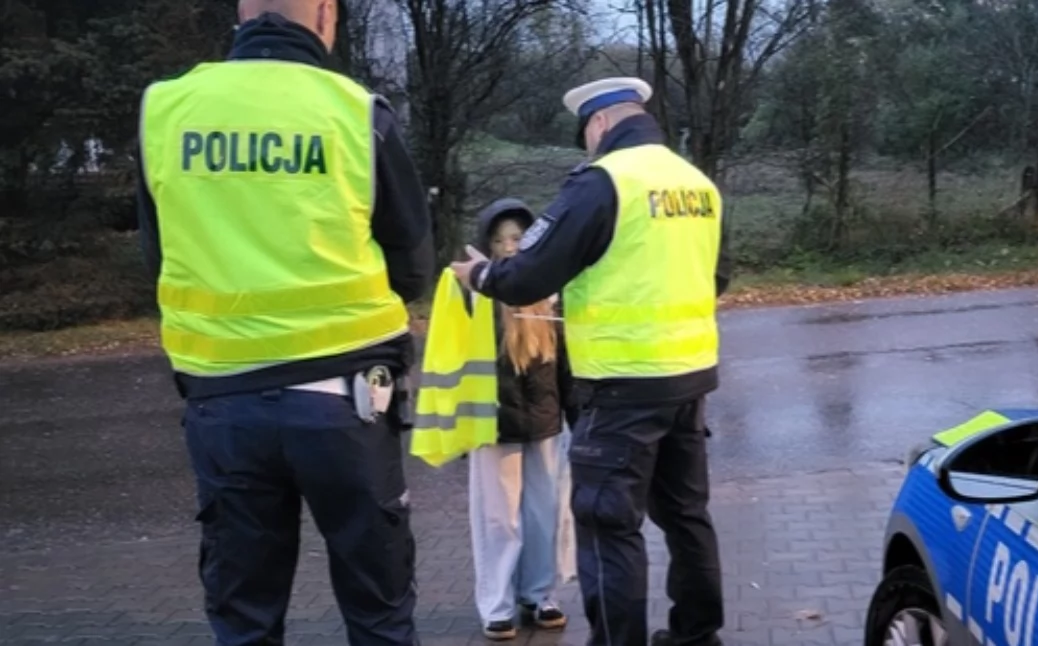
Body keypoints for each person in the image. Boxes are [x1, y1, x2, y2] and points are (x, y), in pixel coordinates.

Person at [134, 1, 433, 644]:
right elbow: (413, 266)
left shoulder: (165, 108)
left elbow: (158, 254)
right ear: (325, 14)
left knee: (245, 615)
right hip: (345, 402)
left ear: (243, 13)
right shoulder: (356, 111)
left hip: (223, 404)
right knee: (379, 611)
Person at [451, 77, 732, 646]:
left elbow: (527, 272)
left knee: (608, 526)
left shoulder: (604, 181)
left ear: (599, 124)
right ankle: (697, 636)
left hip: (621, 387)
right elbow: (718, 275)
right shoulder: (697, 183)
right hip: (691, 376)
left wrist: (479, 274)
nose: (588, 146)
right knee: (686, 517)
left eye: (587, 135)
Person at [465, 198, 575, 641]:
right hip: (494, 424)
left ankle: (540, 593)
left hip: (547, 420)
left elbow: (565, 361)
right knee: (498, 518)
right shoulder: (474, 296)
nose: (508, 247)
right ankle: (497, 604)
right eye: (499, 239)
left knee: (545, 511)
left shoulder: (550, 291)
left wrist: (577, 414)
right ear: (487, 246)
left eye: (516, 238)